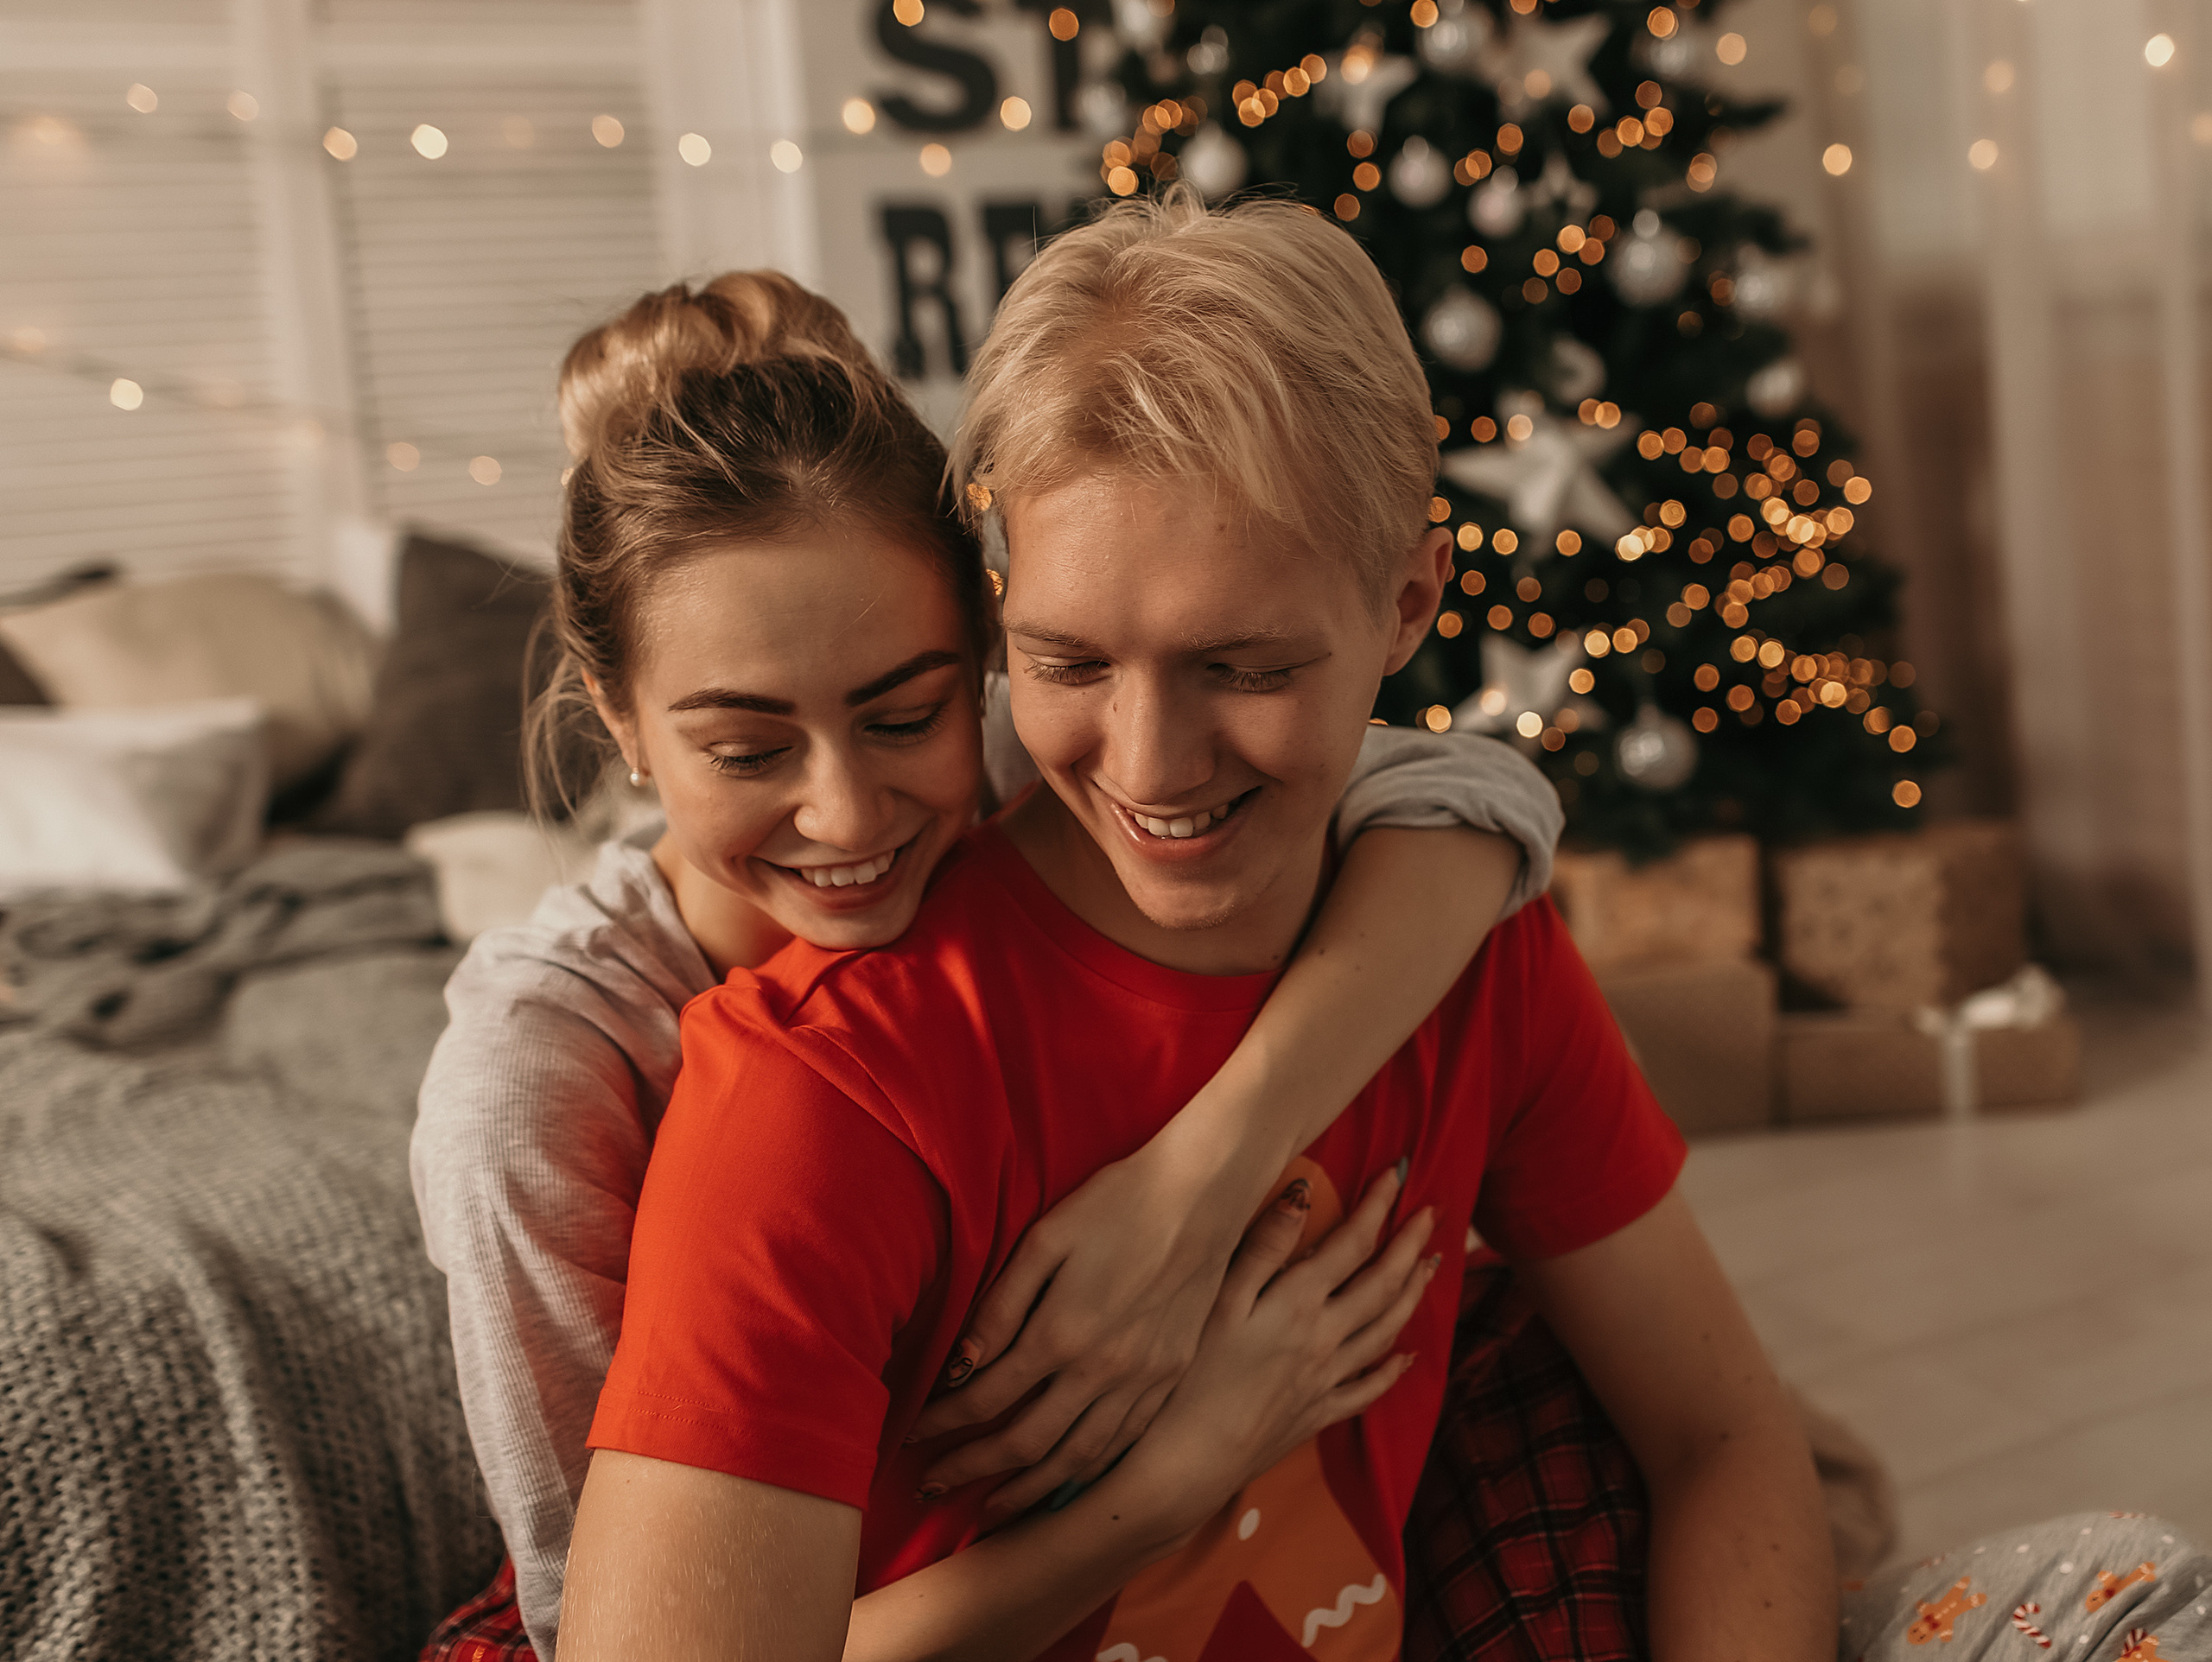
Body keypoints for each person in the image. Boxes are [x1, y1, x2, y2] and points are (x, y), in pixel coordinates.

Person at [557, 191, 1838, 1660]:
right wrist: (1158, 1489)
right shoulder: (820, 1093)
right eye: (1068, 664)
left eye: (1244, 666)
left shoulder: (1472, 946)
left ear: (1409, 602)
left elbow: (1724, 1437)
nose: (1152, 768)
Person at [410, 270, 1567, 1659]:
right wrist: (1170, 1483)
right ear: (619, 716)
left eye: (907, 716)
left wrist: (1199, 1179)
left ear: (979, 658)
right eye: (748, 749)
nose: (849, 815)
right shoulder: (527, 1089)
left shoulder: (1056, 754)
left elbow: (1475, 794)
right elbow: (614, 1622)